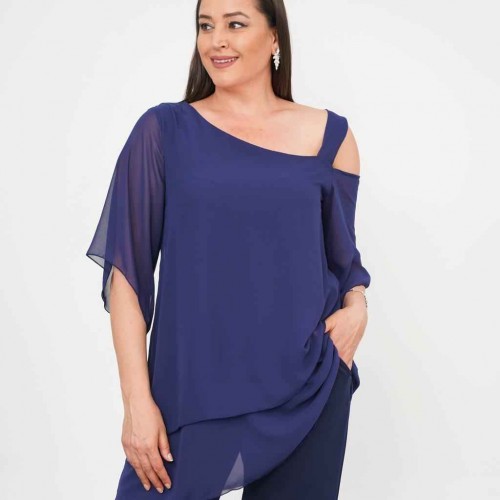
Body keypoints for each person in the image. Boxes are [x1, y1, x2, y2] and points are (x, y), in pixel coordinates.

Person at [86, 0, 371, 498]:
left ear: (275, 37)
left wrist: (358, 309)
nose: (216, 39)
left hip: (308, 383)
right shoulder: (164, 131)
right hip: (192, 394)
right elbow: (127, 275)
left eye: (235, 24)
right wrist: (137, 403)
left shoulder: (331, 136)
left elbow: (342, 258)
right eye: (205, 25)